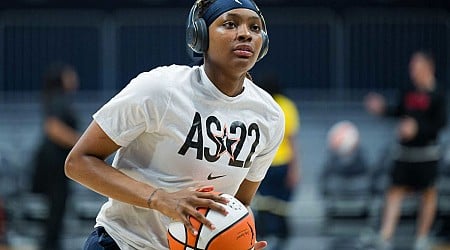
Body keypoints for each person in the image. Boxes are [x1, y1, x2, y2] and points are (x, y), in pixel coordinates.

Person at [65, 1, 284, 249]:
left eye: (255, 28)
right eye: (230, 24)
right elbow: (78, 163)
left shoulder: (270, 116)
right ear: (200, 35)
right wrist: (159, 199)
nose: (246, 34)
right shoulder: (161, 88)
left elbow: (239, 203)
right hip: (122, 242)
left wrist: (239, 241)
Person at [364, 51, 447, 250]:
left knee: (428, 194)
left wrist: (417, 128)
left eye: (417, 67)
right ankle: (386, 235)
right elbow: (399, 112)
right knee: (394, 191)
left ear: (428, 68)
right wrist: (383, 109)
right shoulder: (408, 90)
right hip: (405, 153)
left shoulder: (438, 94)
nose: (413, 71)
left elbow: (440, 124)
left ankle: (422, 237)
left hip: (426, 154)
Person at [30, 62, 81, 250]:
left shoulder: (56, 99)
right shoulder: (59, 99)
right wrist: (82, 143)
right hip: (53, 161)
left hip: (53, 160)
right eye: (70, 75)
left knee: (57, 206)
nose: (74, 78)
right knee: (57, 205)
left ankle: (51, 243)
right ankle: (50, 245)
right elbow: (53, 128)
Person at [253, 75, 300, 250]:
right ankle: (271, 240)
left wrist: (295, 169)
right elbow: (293, 140)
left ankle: (275, 240)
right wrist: (295, 169)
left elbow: (291, 139)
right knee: (271, 206)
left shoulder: (261, 103)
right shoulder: (286, 105)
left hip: (270, 164)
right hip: (274, 163)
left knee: (273, 206)